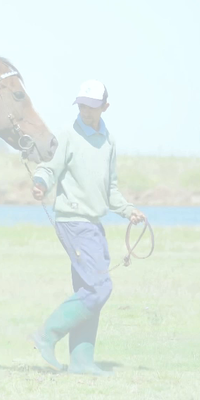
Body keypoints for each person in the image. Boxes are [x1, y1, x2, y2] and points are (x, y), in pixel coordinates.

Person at [30, 80, 146, 376]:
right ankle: (46, 334)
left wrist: (128, 210)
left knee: (86, 290)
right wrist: (41, 183)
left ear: (105, 107)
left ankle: (81, 362)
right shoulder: (67, 135)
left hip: (93, 224)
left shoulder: (108, 141)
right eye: (81, 105)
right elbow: (48, 168)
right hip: (73, 221)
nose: (85, 111)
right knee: (98, 288)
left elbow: (112, 189)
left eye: (92, 107)